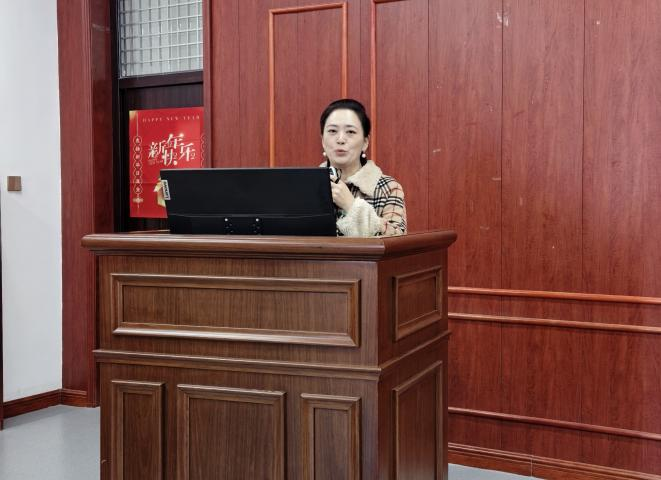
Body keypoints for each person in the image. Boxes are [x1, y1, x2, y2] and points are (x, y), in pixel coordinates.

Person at [320, 98, 407, 236]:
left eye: (350, 132)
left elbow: (397, 240)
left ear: (365, 142)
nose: (340, 139)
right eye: (332, 131)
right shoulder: (306, 186)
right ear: (323, 141)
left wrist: (351, 206)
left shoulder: (388, 188)